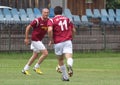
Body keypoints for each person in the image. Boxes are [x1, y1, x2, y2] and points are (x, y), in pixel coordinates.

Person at [47, 6, 76, 81]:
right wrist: (72, 37)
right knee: (69, 57)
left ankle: (65, 77)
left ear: (54, 12)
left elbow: (50, 30)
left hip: (58, 42)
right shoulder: (67, 19)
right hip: (67, 41)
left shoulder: (52, 20)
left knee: (60, 60)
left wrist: (51, 39)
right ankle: (69, 65)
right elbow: (74, 30)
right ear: (62, 12)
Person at [22, 8, 49, 75]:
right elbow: (28, 27)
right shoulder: (37, 20)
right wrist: (26, 38)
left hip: (39, 40)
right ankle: (36, 67)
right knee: (45, 53)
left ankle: (25, 69)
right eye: (45, 12)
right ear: (42, 13)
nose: (46, 14)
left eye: (47, 12)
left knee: (35, 55)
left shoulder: (49, 21)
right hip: (35, 39)